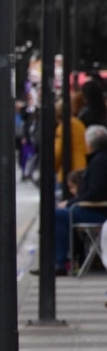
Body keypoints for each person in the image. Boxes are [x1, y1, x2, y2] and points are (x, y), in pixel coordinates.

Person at [53, 125, 107, 274]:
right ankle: (69, 259)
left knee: (57, 214)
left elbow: (95, 193)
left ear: (89, 143)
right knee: (61, 213)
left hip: (98, 211)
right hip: (95, 208)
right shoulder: (100, 159)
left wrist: (71, 203)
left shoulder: (99, 162)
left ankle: (60, 263)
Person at [55, 101, 87, 185]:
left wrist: (53, 166)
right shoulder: (79, 123)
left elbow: (58, 151)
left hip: (69, 169)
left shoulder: (62, 127)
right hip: (82, 165)